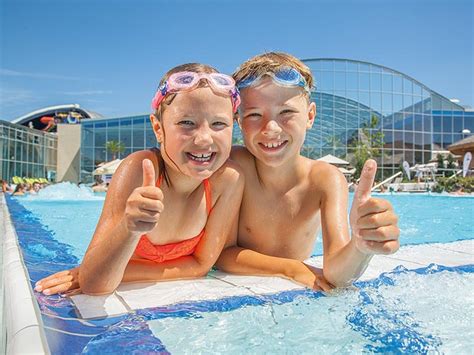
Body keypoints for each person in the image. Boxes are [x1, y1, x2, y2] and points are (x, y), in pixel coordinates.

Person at [35, 63, 244, 296]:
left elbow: (201, 266)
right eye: (187, 123)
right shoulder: (138, 169)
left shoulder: (228, 180)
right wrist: (128, 228)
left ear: (232, 128)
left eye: (219, 124)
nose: (204, 139)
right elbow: (95, 285)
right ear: (158, 128)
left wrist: (116, 271)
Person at [216, 52, 400, 290]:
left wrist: (360, 247)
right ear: (239, 122)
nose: (270, 128)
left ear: (310, 116)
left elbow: (337, 273)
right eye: (254, 115)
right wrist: (291, 268)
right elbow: (223, 254)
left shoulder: (324, 179)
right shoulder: (235, 166)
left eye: (286, 113)